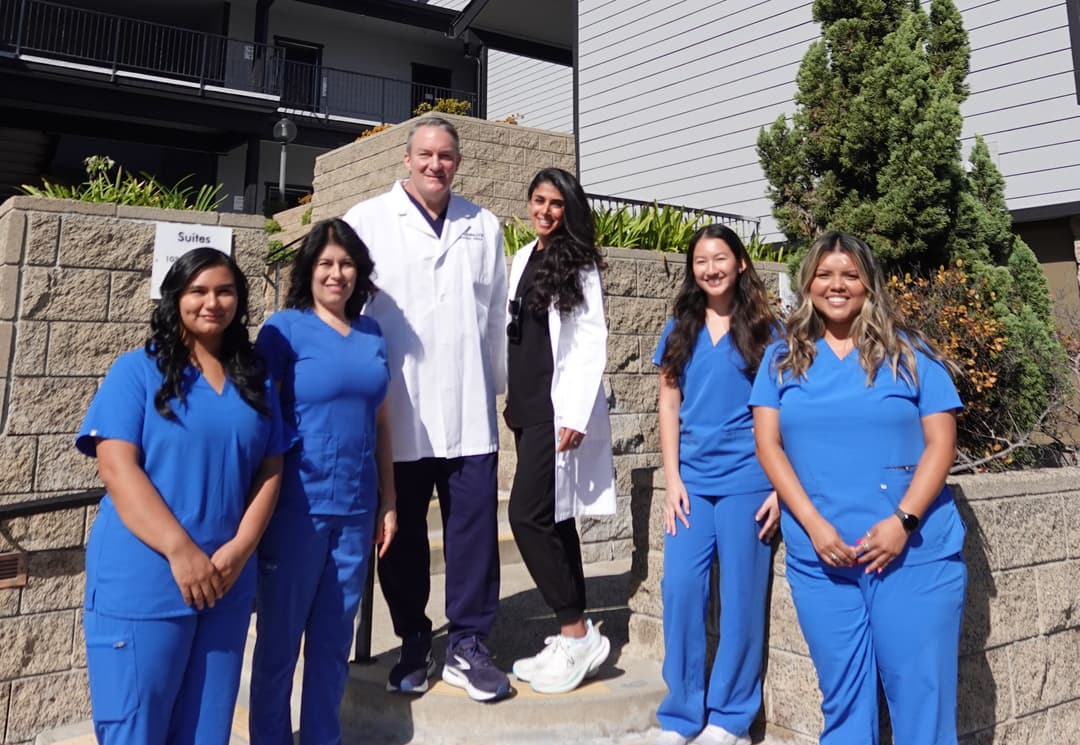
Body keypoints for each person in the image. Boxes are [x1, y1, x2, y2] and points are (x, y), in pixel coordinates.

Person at [749, 231, 967, 745]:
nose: (837, 285)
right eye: (825, 275)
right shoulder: (782, 358)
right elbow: (769, 446)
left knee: (922, 706)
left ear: (869, 284)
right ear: (808, 284)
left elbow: (941, 444)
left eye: (850, 275)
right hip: (823, 563)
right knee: (843, 707)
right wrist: (815, 525)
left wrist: (903, 522)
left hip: (912, 557)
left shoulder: (911, 354)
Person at [75, 247, 286, 745]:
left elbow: (271, 466)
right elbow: (116, 467)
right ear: (176, 298)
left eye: (225, 291)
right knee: (137, 727)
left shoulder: (254, 377)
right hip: (145, 580)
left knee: (207, 729)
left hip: (226, 581)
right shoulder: (136, 372)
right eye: (198, 291)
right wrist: (180, 549)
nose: (212, 302)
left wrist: (241, 548)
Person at [343, 115, 510, 702]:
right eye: (425, 155)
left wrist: (497, 390)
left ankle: (468, 644)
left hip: (468, 408)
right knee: (402, 533)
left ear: (457, 162)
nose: (435, 164)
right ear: (406, 159)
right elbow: (345, 309)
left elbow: (495, 319)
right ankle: (415, 639)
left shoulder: (483, 225)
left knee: (472, 534)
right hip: (400, 409)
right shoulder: (365, 222)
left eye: (446, 156)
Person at [249, 218, 397, 744]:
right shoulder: (283, 329)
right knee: (278, 645)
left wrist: (389, 498)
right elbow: (262, 417)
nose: (337, 274)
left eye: (347, 264)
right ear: (308, 271)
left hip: (356, 510)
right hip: (295, 508)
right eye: (326, 263)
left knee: (334, 644)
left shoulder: (372, 334)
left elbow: (381, 419)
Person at [651, 225, 780, 745]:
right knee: (680, 588)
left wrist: (779, 487)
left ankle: (729, 718)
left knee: (742, 596)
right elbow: (668, 403)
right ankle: (681, 714)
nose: (711, 268)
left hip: (749, 480)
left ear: (741, 263)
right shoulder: (679, 327)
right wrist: (671, 477)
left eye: (720, 258)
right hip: (693, 483)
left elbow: (785, 409)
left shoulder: (768, 331)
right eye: (701, 260)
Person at [503, 168, 615, 695]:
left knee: (525, 516)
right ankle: (573, 634)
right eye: (539, 201)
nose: (545, 211)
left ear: (569, 209)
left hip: (556, 409)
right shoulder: (524, 257)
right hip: (525, 407)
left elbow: (590, 338)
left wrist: (574, 413)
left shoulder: (579, 262)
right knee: (556, 517)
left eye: (556, 203)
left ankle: (576, 630)